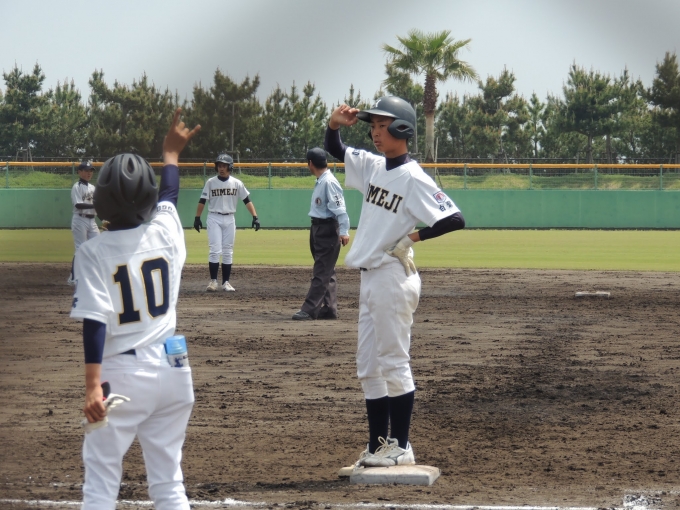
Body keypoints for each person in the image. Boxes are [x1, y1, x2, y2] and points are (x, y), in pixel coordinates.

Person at [70, 109, 201, 510]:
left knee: (100, 486)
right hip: (174, 371)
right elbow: (169, 196)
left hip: (123, 376)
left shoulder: (92, 251)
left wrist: (93, 385)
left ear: (101, 202)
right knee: (169, 484)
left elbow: (95, 319)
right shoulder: (166, 232)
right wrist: (171, 155)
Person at [324, 96, 465, 467]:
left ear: (402, 128)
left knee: (393, 362)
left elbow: (453, 218)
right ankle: (378, 447)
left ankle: (400, 447)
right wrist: (334, 124)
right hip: (370, 279)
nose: (375, 133)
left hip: (392, 277)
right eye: (372, 126)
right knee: (368, 367)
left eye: (382, 126)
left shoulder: (413, 177)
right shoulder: (374, 166)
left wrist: (410, 238)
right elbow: (335, 149)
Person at [292, 148, 350, 321]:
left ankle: (309, 310)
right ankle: (329, 309)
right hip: (318, 228)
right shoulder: (321, 180)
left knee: (321, 272)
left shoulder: (329, 182)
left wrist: (344, 231)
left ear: (310, 163)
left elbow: (340, 209)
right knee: (327, 271)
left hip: (327, 229)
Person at [193, 153, 260, 292]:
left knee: (228, 251)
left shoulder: (236, 183)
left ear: (230, 167)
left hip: (230, 218)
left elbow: (247, 200)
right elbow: (202, 200)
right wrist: (197, 218)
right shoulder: (211, 182)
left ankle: (226, 283)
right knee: (215, 250)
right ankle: (213, 282)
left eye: (224, 166)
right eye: (219, 166)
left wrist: (255, 216)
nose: (221, 168)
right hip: (214, 217)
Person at [68, 160, 99, 285]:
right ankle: (73, 277)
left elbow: (98, 206)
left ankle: (91, 275)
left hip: (92, 220)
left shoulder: (93, 188)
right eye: (86, 170)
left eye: (90, 170)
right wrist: (95, 205)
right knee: (80, 249)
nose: (89, 173)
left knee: (97, 247)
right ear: (79, 172)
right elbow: (78, 205)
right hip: (80, 219)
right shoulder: (77, 187)